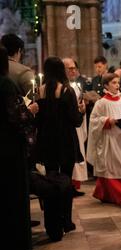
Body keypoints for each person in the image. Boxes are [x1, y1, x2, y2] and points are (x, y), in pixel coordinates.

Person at [35, 56, 83, 234]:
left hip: (47, 143)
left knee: (51, 182)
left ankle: (52, 221)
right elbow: (75, 121)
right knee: (66, 181)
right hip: (65, 142)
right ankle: (66, 220)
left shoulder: (40, 91)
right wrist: (82, 111)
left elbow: (37, 121)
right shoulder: (66, 91)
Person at [0, 45, 35, 250]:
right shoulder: (5, 84)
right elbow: (15, 119)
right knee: (13, 196)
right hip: (9, 150)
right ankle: (16, 245)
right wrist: (29, 112)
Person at [87, 73, 121, 209]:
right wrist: (107, 120)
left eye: (118, 82)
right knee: (112, 168)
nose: (117, 85)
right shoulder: (101, 103)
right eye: (114, 83)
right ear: (106, 85)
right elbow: (93, 121)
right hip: (109, 140)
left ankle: (107, 194)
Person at [63, 57, 88, 197]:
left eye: (74, 68)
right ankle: (68, 185)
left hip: (78, 124)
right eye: (70, 68)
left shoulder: (77, 85)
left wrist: (82, 109)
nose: (73, 71)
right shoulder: (63, 87)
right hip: (69, 127)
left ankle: (73, 185)